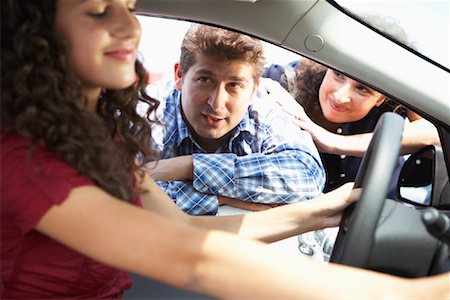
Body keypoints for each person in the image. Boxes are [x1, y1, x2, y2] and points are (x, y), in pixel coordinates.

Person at [2, 1, 450, 299]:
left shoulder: (97, 135)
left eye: (130, 5)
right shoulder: (23, 160)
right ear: (36, 32)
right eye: (100, 10)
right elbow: (187, 257)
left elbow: (184, 230)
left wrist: (326, 210)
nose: (128, 25)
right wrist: (420, 294)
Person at [140, 24, 325, 215]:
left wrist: (190, 166)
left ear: (254, 89)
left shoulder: (263, 110)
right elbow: (119, 196)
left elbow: (308, 176)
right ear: (180, 76)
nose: (217, 103)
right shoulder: (146, 113)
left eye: (234, 85)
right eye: (205, 80)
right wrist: (219, 198)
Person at [262, 14, 440, 197]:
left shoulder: (388, 107)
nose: (340, 97)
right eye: (338, 74)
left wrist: (333, 142)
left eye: (362, 88)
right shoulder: (282, 84)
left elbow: (435, 133)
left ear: (382, 98)